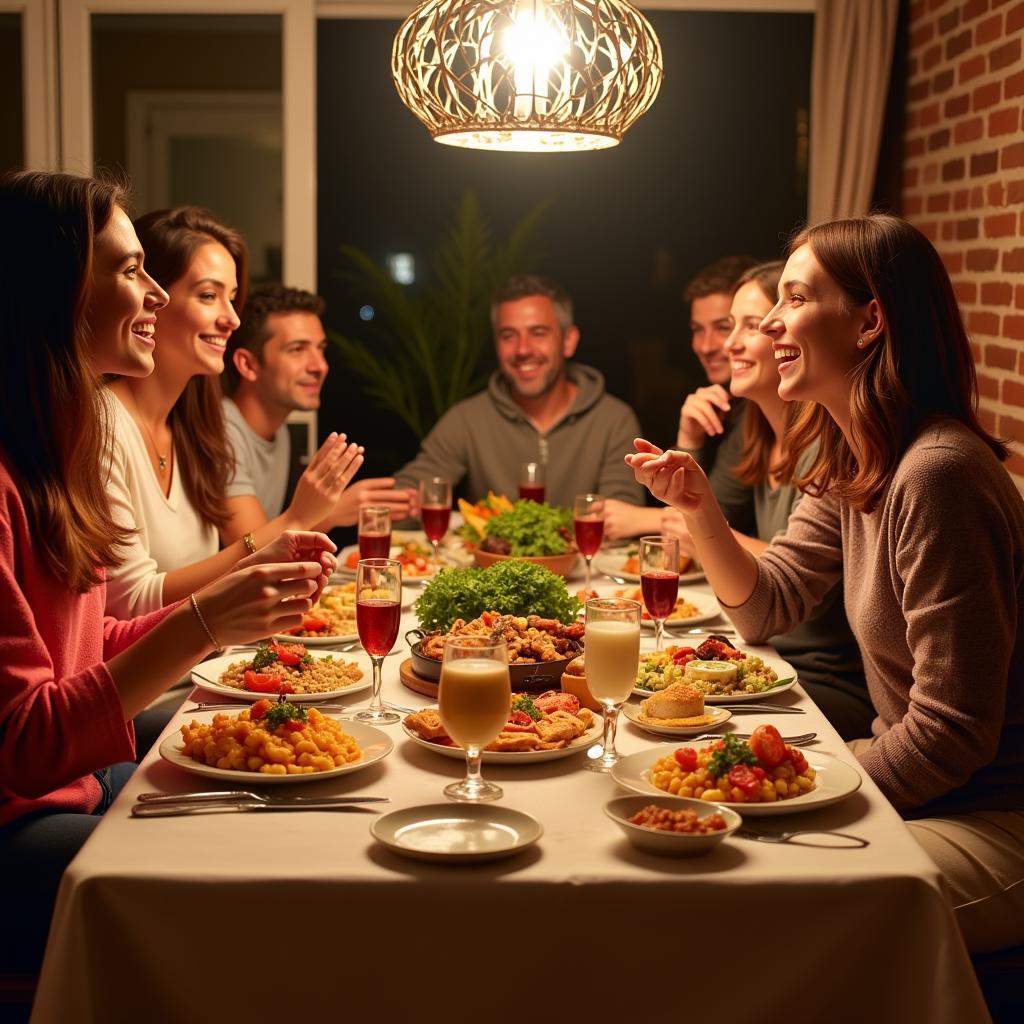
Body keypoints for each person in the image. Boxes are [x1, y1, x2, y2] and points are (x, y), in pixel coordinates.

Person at [627, 214, 1024, 953]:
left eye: (795, 298)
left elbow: (952, 734)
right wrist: (698, 506)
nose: (770, 324)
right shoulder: (857, 456)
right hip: (929, 797)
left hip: (992, 818)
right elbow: (765, 607)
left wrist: (797, 782)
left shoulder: (938, 474)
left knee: (739, 904)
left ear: (870, 320)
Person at [0, 170, 335, 973]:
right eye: (127, 270)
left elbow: (92, 644)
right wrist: (207, 622)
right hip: (21, 826)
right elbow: (23, 746)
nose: (152, 294)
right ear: (55, 293)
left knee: (295, 812)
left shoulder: (58, 451)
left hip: (77, 783)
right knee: (260, 888)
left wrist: (220, 610)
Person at [103, 208, 363, 619]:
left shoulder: (191, 429)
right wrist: (295, 521)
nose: (232, 318)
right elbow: (131, 603)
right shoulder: (103, 425)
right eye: (208, 296)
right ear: (150, 299)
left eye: (231, 296)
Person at [662, 261, 870, 739]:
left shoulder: (832, 446)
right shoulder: (756, 432)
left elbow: (785, 579)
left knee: (689, 729)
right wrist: (686, 440)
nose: (727, 343)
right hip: (771, 656)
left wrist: (712, 532)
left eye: (748, 326)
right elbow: (682, 528)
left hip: (824, 677)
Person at [394, 274, 643, 511]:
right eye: (508, 335)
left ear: (568, 340)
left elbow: (624, 522)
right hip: (493, 558)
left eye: (538, 333)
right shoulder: (467, 419)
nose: (522, 349)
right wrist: (366, 504)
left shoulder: (614, 420)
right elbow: (409, 496)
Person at [220, 283, 413, 543]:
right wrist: (330, 513)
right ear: (248, 364)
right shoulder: (222, 432)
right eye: (297, 350)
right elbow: (250, 554)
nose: (320, 366)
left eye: (320, 348)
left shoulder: (280, 433)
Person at [603, 254, 758, 540]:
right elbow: (689, 526)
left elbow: (709, 523)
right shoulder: (722, 401)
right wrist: (689, 439)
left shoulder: (759, 408)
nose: (706, 346)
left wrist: (643, 518)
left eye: (723, 327)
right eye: (698, 330)